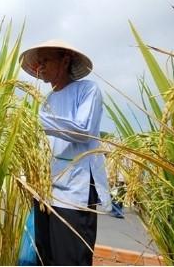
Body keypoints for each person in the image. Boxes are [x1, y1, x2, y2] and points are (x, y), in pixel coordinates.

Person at [19, 40, 111, 266]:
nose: (40, 67)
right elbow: (42, 143)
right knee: (45, 257)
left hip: (74, 193)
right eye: (38, 62)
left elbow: (83, 131)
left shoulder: (87, 90)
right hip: (45, 192)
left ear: (65, 60)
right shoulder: (47, 100)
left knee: (70, 259)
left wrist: (33, 119)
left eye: (46, 61)